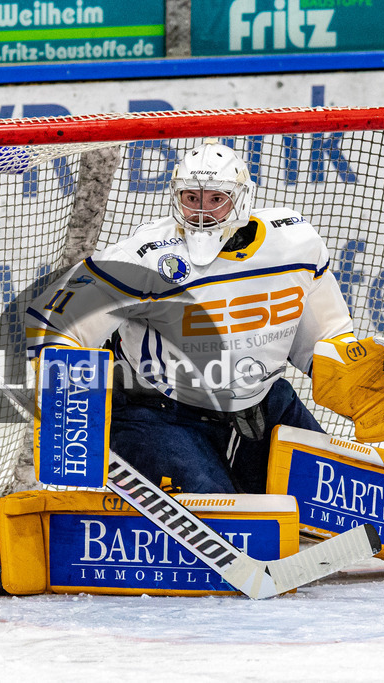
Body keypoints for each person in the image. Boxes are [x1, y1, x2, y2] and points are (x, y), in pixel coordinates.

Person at [25, 139, 357, 495]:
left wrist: (354, 373)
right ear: (176, 197)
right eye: (192, 198)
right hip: (158, 414)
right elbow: (54, 321)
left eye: (216, 199)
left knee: (337, 501)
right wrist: (67, 387)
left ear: (242, 199)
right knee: (223, 526)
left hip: (262, 404)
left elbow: (325, 339)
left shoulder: (294, 244)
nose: (202, 212)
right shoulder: (143, 257)